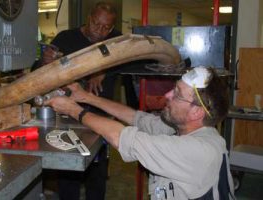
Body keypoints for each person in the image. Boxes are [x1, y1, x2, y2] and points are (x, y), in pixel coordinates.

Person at [45, 66, 236, 200]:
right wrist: (86, 97)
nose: (168, 95)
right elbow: (136, 118)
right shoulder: (184, 130)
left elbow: (121, 137)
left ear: (197, 112)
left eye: (177, 94)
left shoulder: (197, 151)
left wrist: (73, 110)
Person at [39, 2, 121, 200]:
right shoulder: (66, 38)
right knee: (68, 175)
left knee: (97, 174)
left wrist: (104, 70)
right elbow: (40, 72)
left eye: (106, 28)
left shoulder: (117, 41)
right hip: (67, 118)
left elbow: (128, 64)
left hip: (98, 118)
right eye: (96, 24)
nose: (100, 32)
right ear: (88, 18)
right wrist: (45, 61)